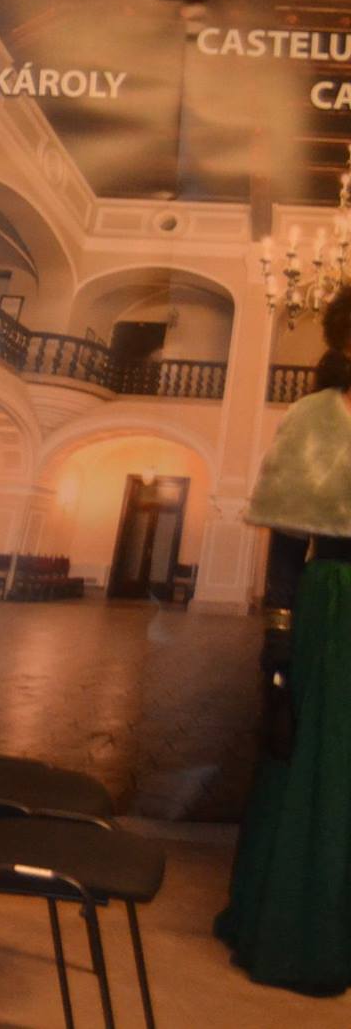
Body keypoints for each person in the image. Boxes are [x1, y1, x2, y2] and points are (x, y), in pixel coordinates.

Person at [217, 286, 351, 996]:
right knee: (320, 766)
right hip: (334, 610)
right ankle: (304, 929)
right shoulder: (312, 420)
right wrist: (278, 646)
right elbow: (286, 554)